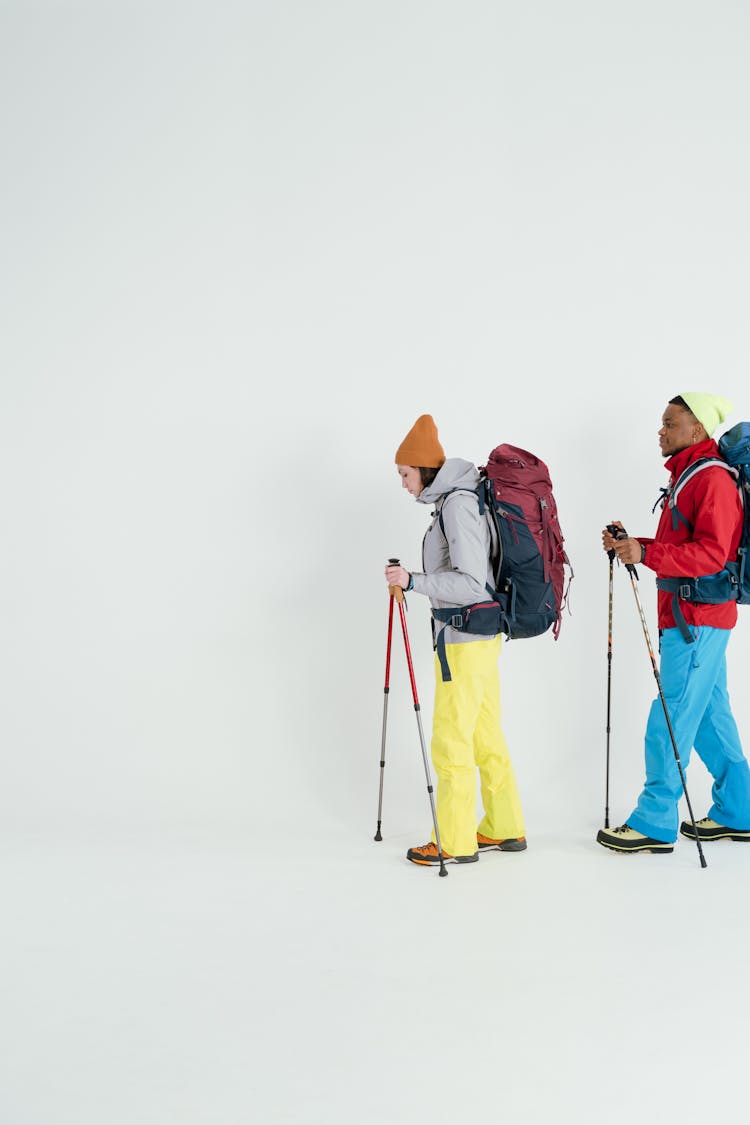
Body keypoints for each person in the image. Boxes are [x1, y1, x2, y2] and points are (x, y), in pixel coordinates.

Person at [597, 392, 750, 855]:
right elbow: (682, 546)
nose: (661, 431)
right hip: (691, 618)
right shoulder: (688, 477)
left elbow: (710, 555)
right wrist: (635, 544)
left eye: (670, 423)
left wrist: (645, 553)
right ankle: (738, 812)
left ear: (698, 430)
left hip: (696, 621)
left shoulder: (712, 481)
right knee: (707, 718)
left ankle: (654, 820)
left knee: (668, 718)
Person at [384, 413, 526, 867]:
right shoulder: (459, 500)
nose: (403, 484)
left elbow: (471, 583)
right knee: (485, 733)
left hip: (464, 638)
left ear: (424, 469)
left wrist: (412, 580)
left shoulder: (457, 505)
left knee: (451, 740)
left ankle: (455, 840)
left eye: (405, 474)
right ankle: (504, 827)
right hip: (479, 638)